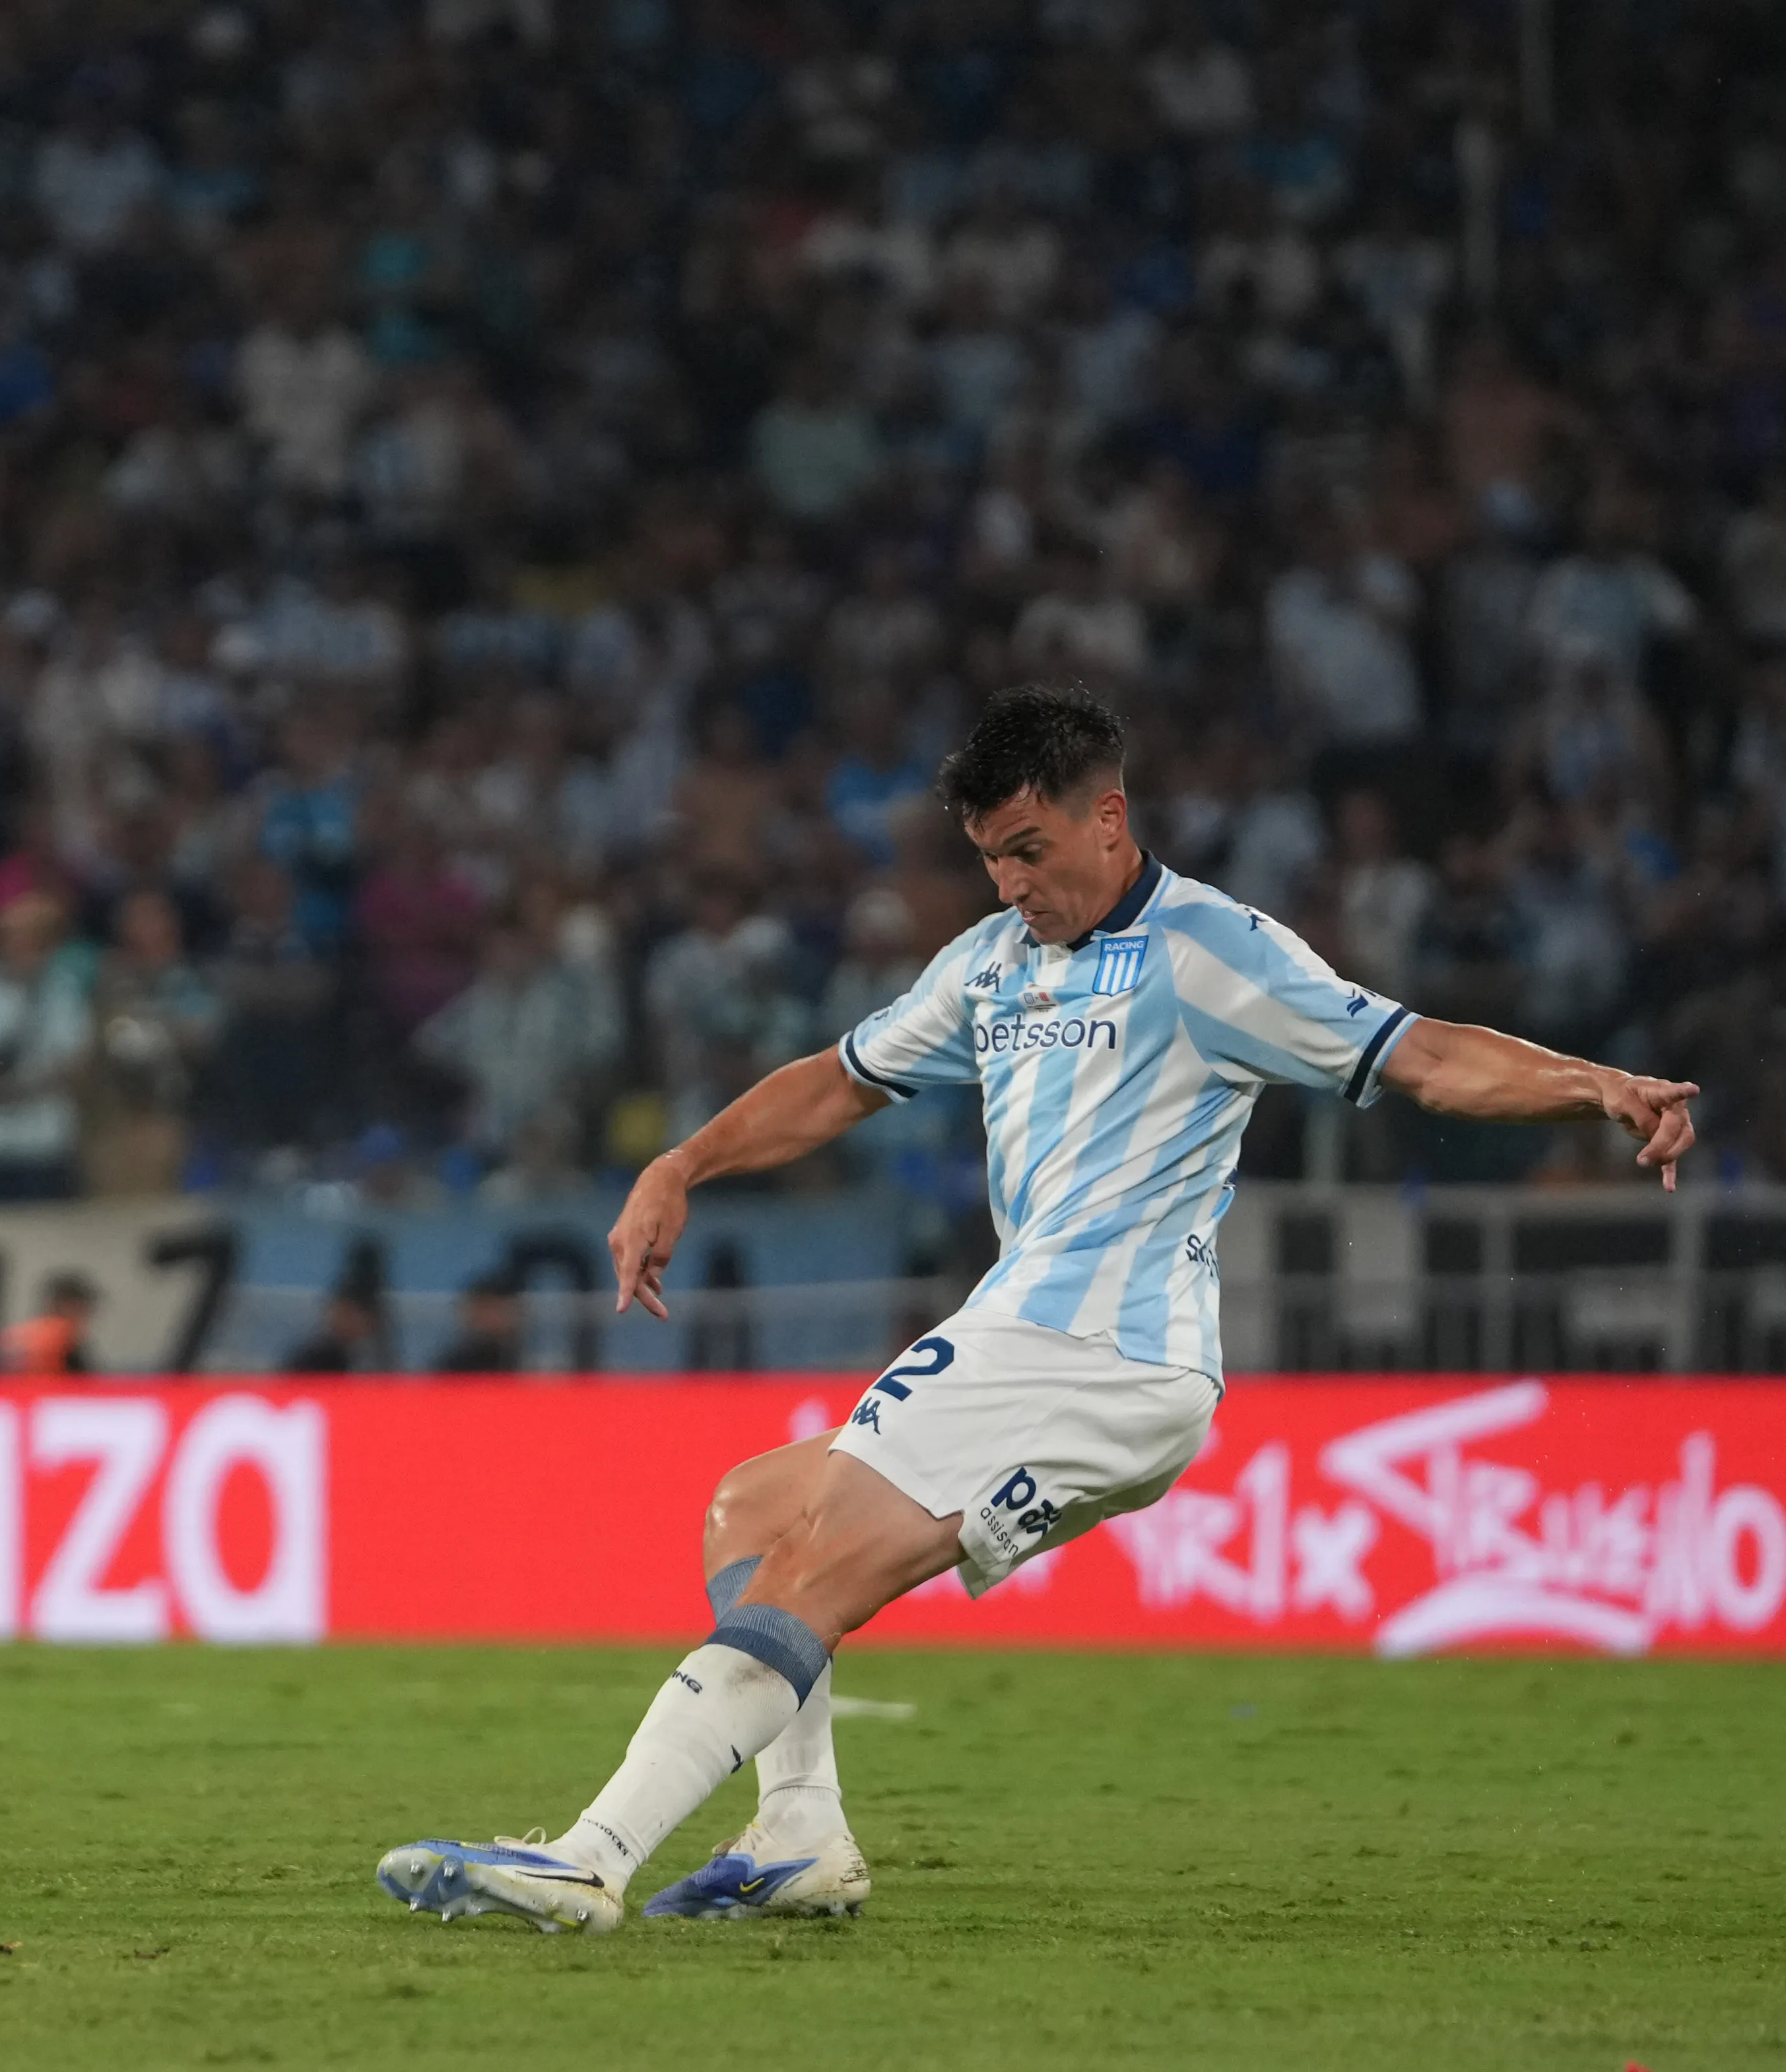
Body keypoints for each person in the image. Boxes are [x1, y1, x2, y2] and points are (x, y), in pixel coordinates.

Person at [375, 685, 1700, 1934]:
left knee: (812, 1564)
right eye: (990, 859)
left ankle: (590, 1857)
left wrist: (1594, 1083)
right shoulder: (991, 964)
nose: (1013, 883)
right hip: (1063, 1351)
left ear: (1107, 818)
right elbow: (840, 1080)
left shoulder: (1211, 952)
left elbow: (1421, 1054)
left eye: (1030, 849)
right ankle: (797, 1835)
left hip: (1090, 1343)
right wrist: (680, 1164)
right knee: (758, 1507)